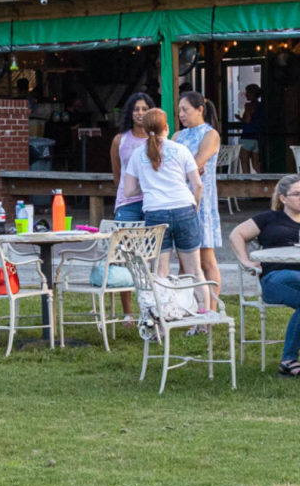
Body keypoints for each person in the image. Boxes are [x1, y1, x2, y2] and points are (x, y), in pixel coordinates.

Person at [124, 108, 210, 311]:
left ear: (145, 129)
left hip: (155, 213)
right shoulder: (180, 150)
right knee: (195, 270)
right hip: (183, 208)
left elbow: (128, 191)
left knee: (160, 271)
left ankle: (162, 319)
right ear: (166, 127)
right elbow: (197, 184)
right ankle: (204, 317)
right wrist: (195, 205)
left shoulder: (138, 154)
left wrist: (146, 184)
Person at [230, 174, 300, 377]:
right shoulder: (270, 218)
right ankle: (289, 360)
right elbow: (237, 234)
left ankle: (288, 361)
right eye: (296, 194)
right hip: (275, 279)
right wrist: (245, 261)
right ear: (283, 198)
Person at [172, 91, 222, 295]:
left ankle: (211, 308)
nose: (181, 115)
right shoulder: (177, 135)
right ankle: (186, 306)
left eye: (185, 110)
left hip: (202, 201)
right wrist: (188, 169)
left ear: (200, 109)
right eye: (179, 111)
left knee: (205, 259)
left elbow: (197, 163)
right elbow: (172, 167)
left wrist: (187, 168)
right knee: (184, 261)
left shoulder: (210, 134)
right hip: (178, 200)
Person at [109, 92, 153, 323]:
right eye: (136, 109)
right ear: (130, 112)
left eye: (145, 108)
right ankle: (127, 312)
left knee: (147, 259)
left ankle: (148, 307)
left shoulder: (156, 139)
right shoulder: (120, 140)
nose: (140, 113)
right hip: (126, 204)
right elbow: (118, 176)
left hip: (151, 203)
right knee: (123, 258)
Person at [237, 83, 262, 173]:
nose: (246, 94)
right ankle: (262, 181)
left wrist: (240, 119)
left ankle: (246, 181)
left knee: (244, 161)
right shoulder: (260, 106)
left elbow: (247, 120)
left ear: (252, 94)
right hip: (257, 136)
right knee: (256, 164)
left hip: (247, 136)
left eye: (247, 92)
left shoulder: (248, 106)